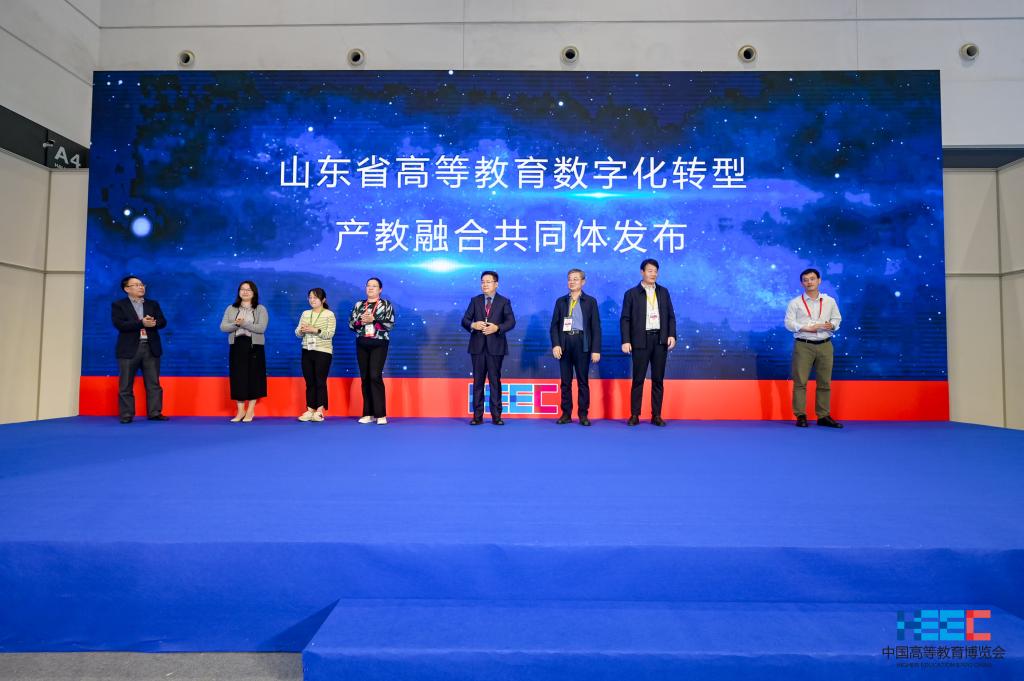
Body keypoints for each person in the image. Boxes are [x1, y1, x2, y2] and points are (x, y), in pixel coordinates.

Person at [619, 258, 677, 426]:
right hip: (640, 341)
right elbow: (625, 319)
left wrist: (672, 335)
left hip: (660, 340)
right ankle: (635, 414)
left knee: (658, 379)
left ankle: (656, 415)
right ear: (642, 272)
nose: (653, 274)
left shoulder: (663, 292)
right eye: (650, 271)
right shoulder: (631, 294)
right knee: (638, 379)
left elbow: (671, 316)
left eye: (655, 271)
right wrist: (626, 340)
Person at [784, 268, 843, 428]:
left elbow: (837, 319)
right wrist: (806, 328)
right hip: (803, 345)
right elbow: (789, 323)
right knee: (800, 382)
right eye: (805, 280)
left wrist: (832, 325)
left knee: (825, 382)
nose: (809, 282)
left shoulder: (829, 301)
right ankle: (801, 415)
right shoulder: (795, 303)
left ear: (819, 280)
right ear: (802, 283)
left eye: (812, 279)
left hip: (825, 345)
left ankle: (823, 416)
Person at [461, 270, 516, 425]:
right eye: (482, 282)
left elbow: (511, 322)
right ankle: (477, 416)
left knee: (494, 381)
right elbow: (465, 320)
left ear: (496, 284)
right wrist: (473, 325)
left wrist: (497, 328)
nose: (484, 284)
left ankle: (496, 416)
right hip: (477, 347)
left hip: (495, 347)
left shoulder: (504, 301)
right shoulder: (475, 300)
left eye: (488, 282)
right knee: (478, 382)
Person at [111, 275, 169, 423]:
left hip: (151, 347)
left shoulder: (152, 304)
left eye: (142, 284)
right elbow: (120, 325)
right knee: (125, 384)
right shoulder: (119, 305)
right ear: (127, 289)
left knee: (153, 383)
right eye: (136, 285)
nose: (141, 287)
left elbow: (163, 322)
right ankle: (126, 414)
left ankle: (155, 412)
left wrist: (154, 323)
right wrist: (141, 323)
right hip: (129, 349)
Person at [549, 268, 602, 426]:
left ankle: (583, 414)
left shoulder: (590, 301)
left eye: (575, 279)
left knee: (582, 381)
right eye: (569, 279)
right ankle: (566, 413)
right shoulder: (561, 301)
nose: (571, 282)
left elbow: (596, 327)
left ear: (583, 282)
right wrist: (556, 344)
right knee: (565, 381)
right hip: (565, 343)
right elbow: (554, 326)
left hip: (582, 343)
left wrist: (596, 350)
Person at [219, 280, 269, 422]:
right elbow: (223, 327)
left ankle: (250, 411)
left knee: (254, 378)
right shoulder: (231, 308)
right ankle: (240, 411)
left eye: (248, 289)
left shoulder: (260, 309)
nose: (245, 292)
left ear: (254, 293)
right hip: (237, 345)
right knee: (238, 378)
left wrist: (244, 324)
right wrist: (236, 324)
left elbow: (261, 328)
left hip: (254, 346)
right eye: (242, 289)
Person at [348, 277, 395, 425]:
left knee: (375, 376)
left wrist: (373, 320)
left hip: (379, 343)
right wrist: (361, 321)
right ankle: (367, 413)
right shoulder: (359, 305)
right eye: (368, 285)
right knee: (365, 377)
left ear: (380, 289)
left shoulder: (385, 304)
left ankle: (380, 414)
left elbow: (389, 325)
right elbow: (351, 325)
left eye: (374, 286)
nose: (370, 288)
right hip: (362, 342)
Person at [294, 287, 336, 422]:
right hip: (307, 350)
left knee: (320, 381)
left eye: (315, 297)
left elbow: (330, 334)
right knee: (309, 381)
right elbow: (297, 333)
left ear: (323, 300)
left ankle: (319, 411)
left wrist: (315, 330)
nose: (312, 300)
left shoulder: (329, 314)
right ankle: (310, 409)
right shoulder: (305, 313)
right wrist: (301, 330)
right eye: (310, 297)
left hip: (323, 351)